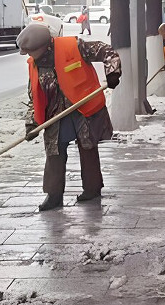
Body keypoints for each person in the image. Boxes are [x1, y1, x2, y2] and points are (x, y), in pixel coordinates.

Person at [17, 22, 121, 211]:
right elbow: (34, 97)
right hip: (56, 114)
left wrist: (113, 71)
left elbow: (106, 51)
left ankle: (92, 189)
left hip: (83, 108)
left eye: (32, 52)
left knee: (87, 148)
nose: (30, 56)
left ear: (44, 46)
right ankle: (54, 195)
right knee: (54, 152)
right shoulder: (35, 65)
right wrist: (31, 124)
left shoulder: (75, 46)